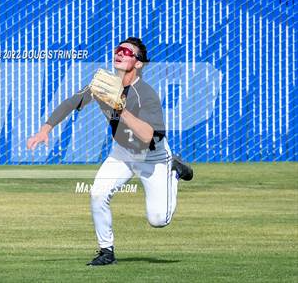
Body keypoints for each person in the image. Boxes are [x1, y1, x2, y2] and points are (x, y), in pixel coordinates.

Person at [27, 37, 193, 266]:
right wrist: (45, 129)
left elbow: (147, 136)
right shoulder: (104, 84)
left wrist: (120, 110)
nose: (120, 53)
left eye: (127, 51)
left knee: (158, 220)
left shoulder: (146, 95)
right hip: (122, 152)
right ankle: (106, 251)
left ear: (138, 64)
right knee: (98, 193)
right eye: (119, 49)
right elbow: (72, 102)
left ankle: (174, 169)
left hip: (153, 157)